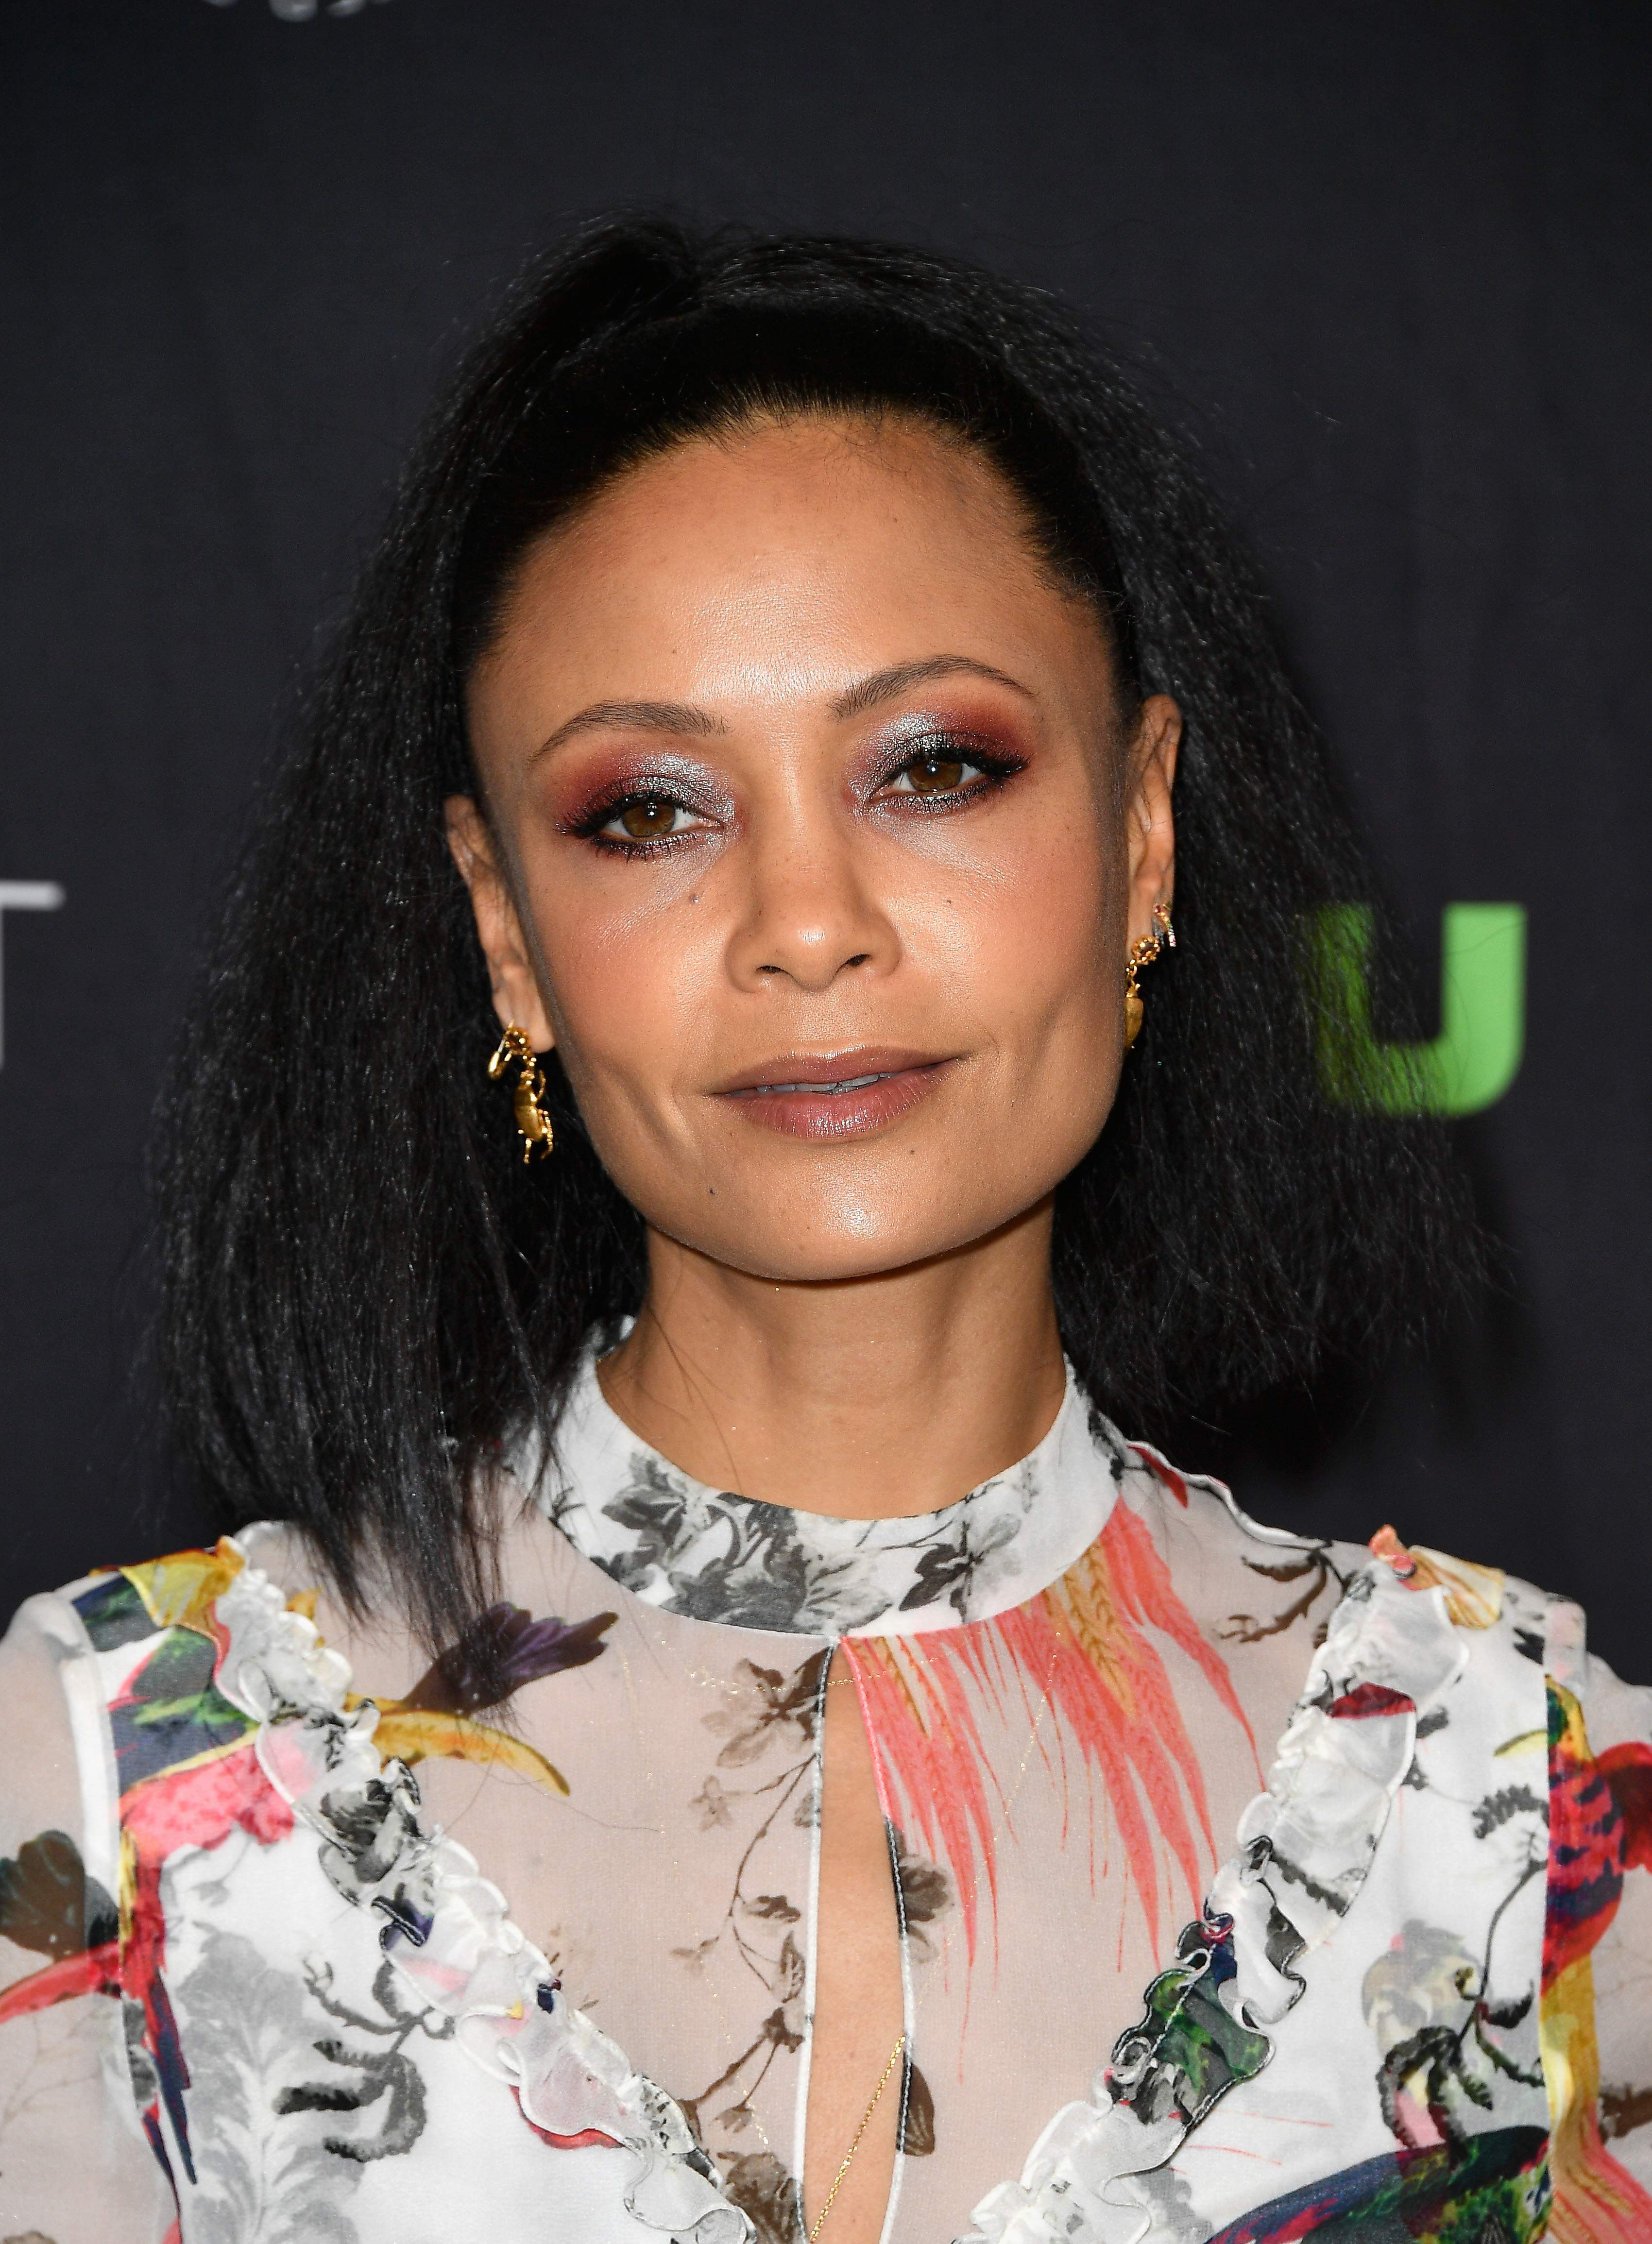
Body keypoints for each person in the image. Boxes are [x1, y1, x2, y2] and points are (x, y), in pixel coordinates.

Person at [0, 219, 1647, 2244]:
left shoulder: (1519, 1804)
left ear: (1141, 832)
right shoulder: (118, 1783)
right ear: (505, 929)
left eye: (933, 769)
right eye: (648, 810)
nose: (804, 923)